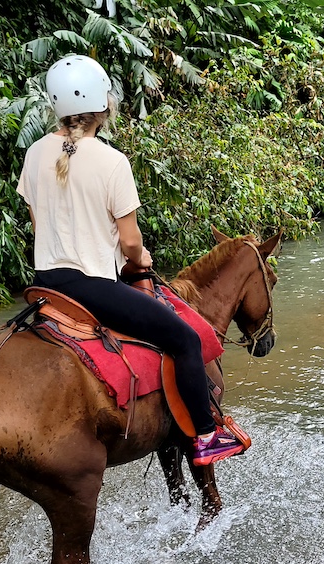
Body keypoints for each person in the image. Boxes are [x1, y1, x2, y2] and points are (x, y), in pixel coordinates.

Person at [15, 55, 246, 467]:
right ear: (104, 105)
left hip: (44, 283)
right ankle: (208, 436)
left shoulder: (35, 153)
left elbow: (39, 223)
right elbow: (130, 242)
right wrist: (140, 257)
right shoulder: (111, 161)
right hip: (92, 287)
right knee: (186, 340)